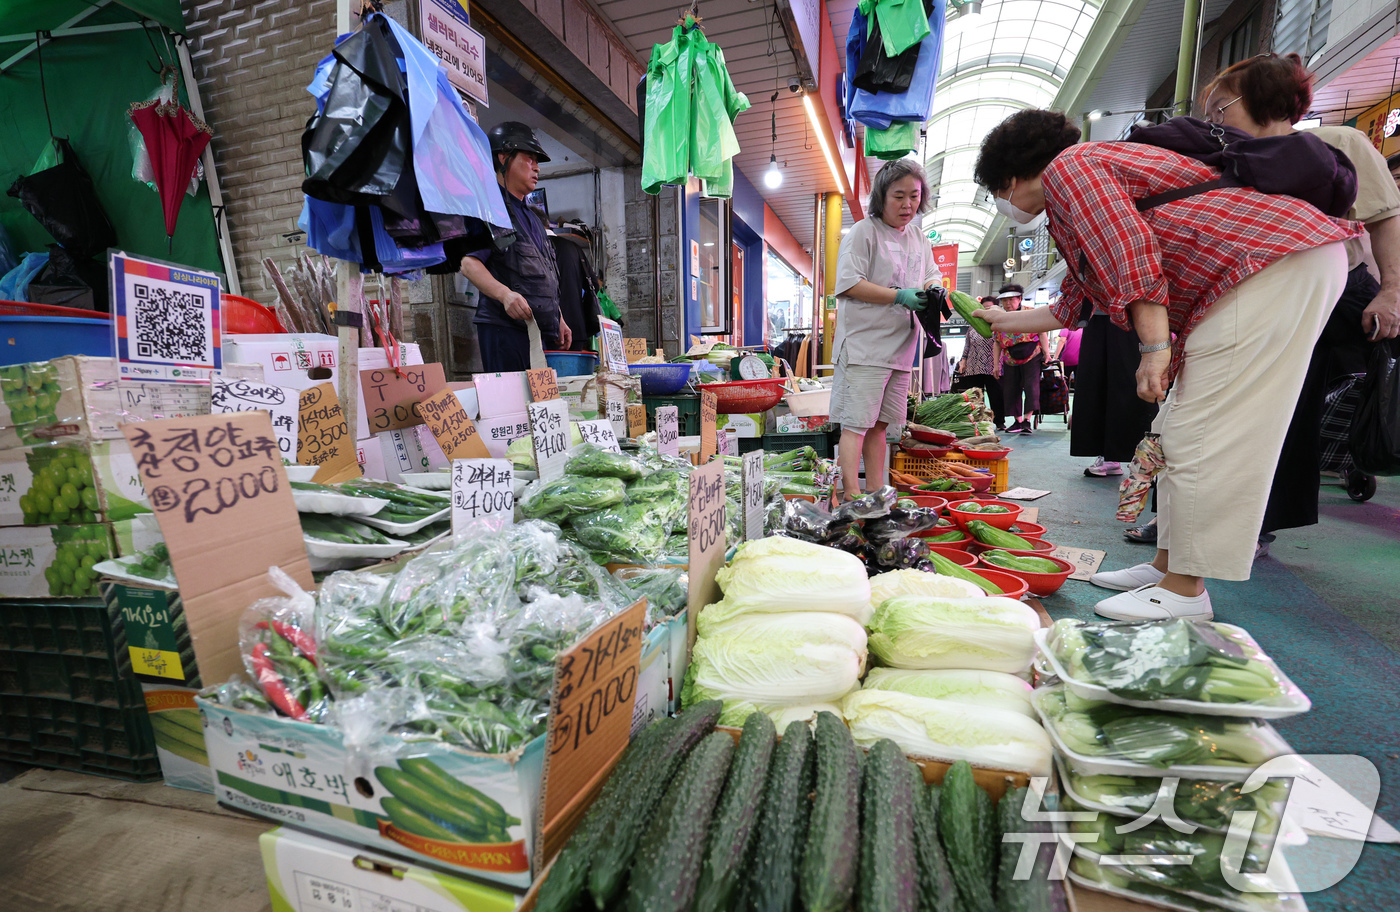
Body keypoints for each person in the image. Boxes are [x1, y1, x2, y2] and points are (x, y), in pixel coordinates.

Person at [971, 108, 1361, 621]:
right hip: (1261, 272)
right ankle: (1165, 565)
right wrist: (998, 320)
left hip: (1267, 268)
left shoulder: (1072, 168)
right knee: (1174, 430)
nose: (1003, 204)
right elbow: (1073, 305)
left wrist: (1155, 349)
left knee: (1207, 431)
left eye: (997, 192)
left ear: (1013, 176)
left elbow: (1131, 252)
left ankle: (1184, 591)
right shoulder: (1075, 199)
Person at [1197, 54, 1400, 551]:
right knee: (1213, 407)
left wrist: (1392, 288)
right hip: (1242, 297)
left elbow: (1383, 216)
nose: (1213, 120)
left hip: (1323, 293)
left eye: (1221, 107)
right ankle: (1191, 516)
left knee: (1285, 409)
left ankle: (1250, 525)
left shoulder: (1336, 142)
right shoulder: (1218, 158)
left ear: (1263, 100)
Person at [830, 159, 941, 500]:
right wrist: (899, 296)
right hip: (865, 346)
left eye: (914, 196)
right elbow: (848, 284)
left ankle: (876, 491)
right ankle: (851, 493)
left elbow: (931, 272)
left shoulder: (919, 237)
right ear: (882, 197)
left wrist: (935, 286)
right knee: (856, 424)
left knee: (881, 425)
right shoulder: (865, 231)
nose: (907, 204)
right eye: (898, 196)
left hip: (901, 348)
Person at [460, 122, 571, 371]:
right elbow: (468, 264)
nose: (537, 167)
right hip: (504, 330)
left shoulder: (531, 216)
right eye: (529, 159)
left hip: (534, 331)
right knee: (511, 407)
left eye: (537, 161)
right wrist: (505, 295)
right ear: (504, 158)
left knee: (534, 407)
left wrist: (559, 318)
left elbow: (545, 271)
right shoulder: (490, 207)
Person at [1071, 310, 1159, 478]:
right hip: (1096, 312)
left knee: (1133, 382)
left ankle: (1151, 459)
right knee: (1095, 382)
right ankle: (1108, 456)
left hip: (1134, 310)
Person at [991, 284, 1050, 434]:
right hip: (1010, 356)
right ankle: (1017, 421)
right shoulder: (1000, 318)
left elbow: (1042, 333)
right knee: (1010, 389)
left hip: (1032, 354)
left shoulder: (1031, 313)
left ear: (1020, 299)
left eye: (1011, 300)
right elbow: (997, 343)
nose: (1007, 304)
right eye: (1004, 301)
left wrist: (1047, 353)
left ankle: (1027, 421)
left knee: (1031, 387)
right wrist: (996, 364)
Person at [551, 221, 602, 352]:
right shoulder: (574, 247)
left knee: (547, 371)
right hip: (576, 326)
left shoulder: (537, 246)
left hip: (550, 329)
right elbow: (594, 285)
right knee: (575, 370)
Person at [955, 296, 1005, 426]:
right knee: (975, 396)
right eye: (984, 307)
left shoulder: (999, 325)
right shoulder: (973, 326)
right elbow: (967, 345)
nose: (986, 310)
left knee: (996, 394)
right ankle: (977, 420)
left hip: (992, 365)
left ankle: (999, 421)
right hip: (974, 365)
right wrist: (963, 360)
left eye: (989, 307)